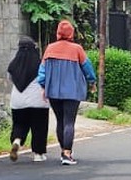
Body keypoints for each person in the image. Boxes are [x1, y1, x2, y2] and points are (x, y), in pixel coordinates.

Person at [37, 19, 96, 165]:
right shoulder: (77, 49)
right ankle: (67, 154)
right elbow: (87, 68)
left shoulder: (49, 48)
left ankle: (64, 150)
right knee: (69, 122)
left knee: (60, 121)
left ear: (58, 32)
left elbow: (42, 72)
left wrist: (43, 86)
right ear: (71, 33)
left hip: (54, 92)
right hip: (72, 91)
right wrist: (92, 82)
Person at [7, 36, 50, 162]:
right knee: (39, 127)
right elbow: (45, 79)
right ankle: (38, 154)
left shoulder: (13, 65)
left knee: (19, 124)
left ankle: (17, 141)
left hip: (18, 101)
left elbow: (10, 79)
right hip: (38, 101)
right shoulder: (39, 63)